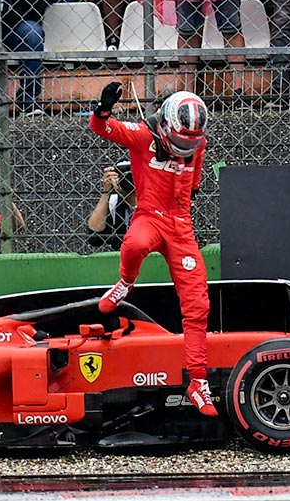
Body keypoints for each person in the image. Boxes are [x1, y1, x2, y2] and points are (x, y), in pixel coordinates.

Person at [90, 82, 216, 417]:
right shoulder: (143, 136)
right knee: (133, 243)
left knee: (197, 303)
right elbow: (101, 127)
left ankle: (198, 381)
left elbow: (195, 184)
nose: (184, 148)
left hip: (181, 225)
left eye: (191, 143)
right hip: (149, 215)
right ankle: (125, 283)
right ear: (165, 125)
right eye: (178, 141)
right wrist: (103, 108)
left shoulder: (196, 145)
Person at [86, 159, 135, 251]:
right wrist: (106, 193)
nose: (129, 180)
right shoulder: (114, 200)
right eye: (123, 176)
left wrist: (132, 201)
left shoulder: (154, 199)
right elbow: (94, 237)